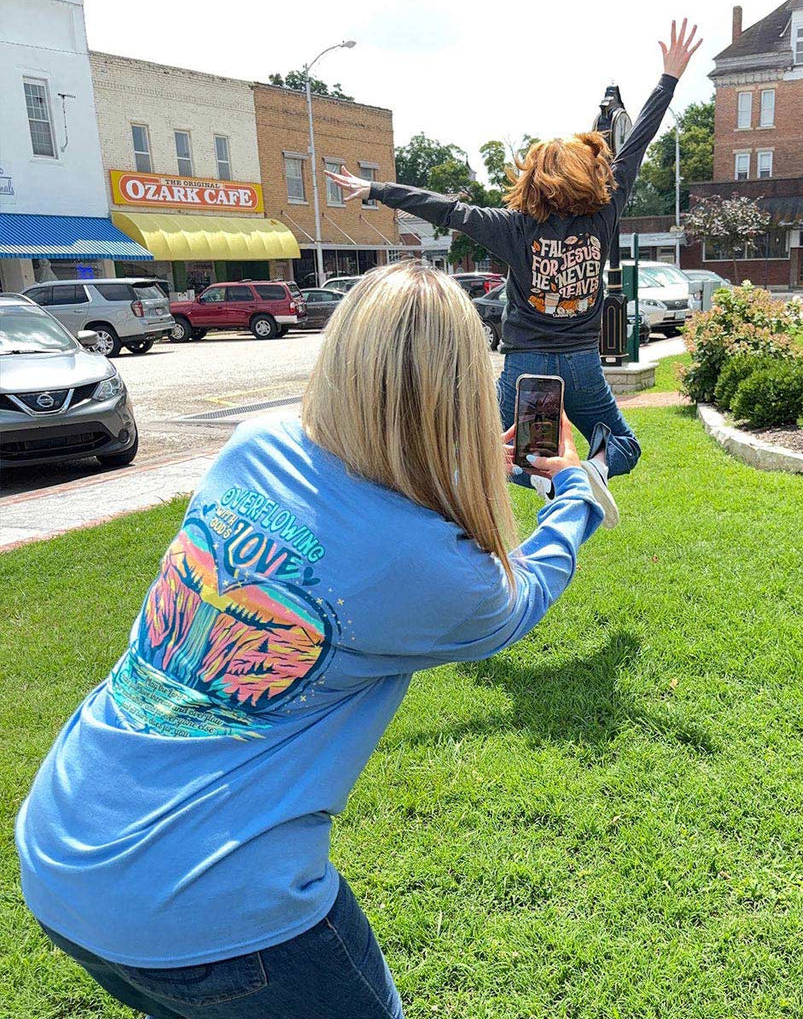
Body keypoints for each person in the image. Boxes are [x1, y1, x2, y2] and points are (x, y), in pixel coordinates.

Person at [16, 261, 603, 1019]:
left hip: (63, 856)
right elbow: (517, 598)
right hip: (215, 911)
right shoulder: (436, 570)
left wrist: (457, 463)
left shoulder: (251, 447)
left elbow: (351, 498)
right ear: (461, 392)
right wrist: (576, 499)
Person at [327, 20, 702, 530]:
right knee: (625, 446)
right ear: (590, 178)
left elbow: (446, 210)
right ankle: (586, 470)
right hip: (580, 363)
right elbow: (635, 145)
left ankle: (521, 486)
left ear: (532, 181)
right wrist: (668, 78)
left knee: (499, 455)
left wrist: (376, 191)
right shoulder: (604, 214)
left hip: (525, 364)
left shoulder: (511, 228)